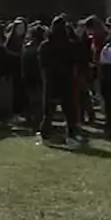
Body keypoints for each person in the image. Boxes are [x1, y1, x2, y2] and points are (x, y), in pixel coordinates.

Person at [38, 15, 82, 148]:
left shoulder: (45, 45)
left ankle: (45, 136)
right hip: (66, 80)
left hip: (50, 80)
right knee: (70, 112)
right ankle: (72, 137)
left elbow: (42, 63)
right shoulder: (69, 45)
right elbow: (76, 59)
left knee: (48, 112)